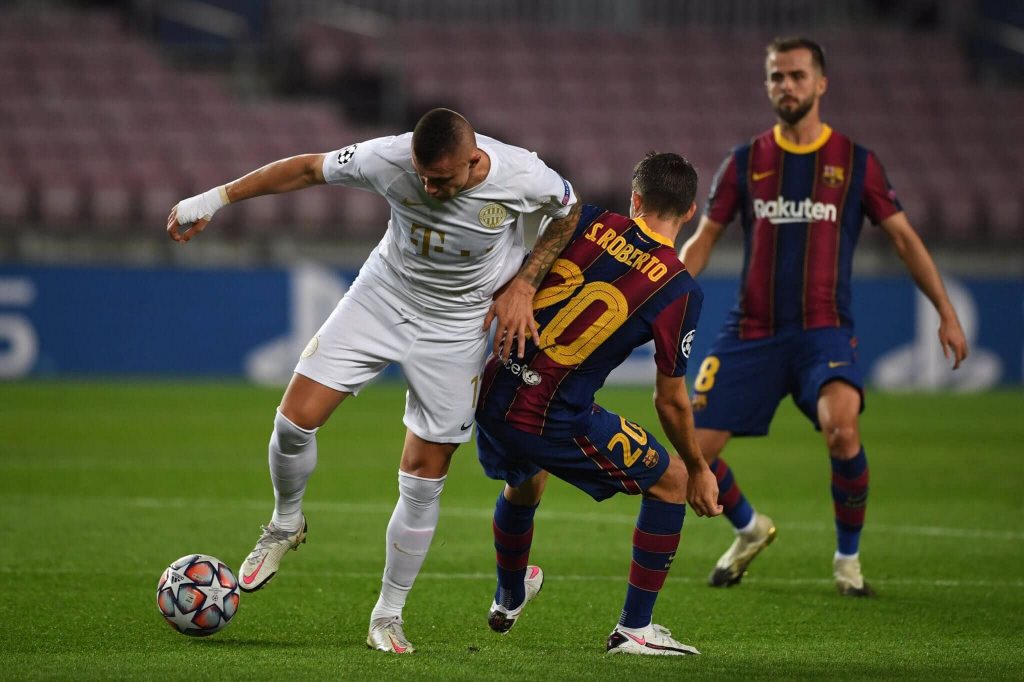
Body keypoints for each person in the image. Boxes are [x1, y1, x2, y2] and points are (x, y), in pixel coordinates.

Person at [166, 108, 583, 652]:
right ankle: (285, 524)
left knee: (423, 475)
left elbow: (567, 210)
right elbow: (308, 169)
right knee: (293, 422)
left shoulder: (521, 173)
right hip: (382, 297)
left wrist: (526, 282)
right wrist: (216, 198)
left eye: (442, 180)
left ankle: (387, 615)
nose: (430, 189)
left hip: (457, 325)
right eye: (423, 177)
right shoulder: (388, 157)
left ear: (473, 160)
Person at [679, 37, 970, 596]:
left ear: (821, 83)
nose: (785, 85)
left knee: (842, 429)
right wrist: (659, 292)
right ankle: (749, 528)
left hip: (824, 330)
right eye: (776, 76)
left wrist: (946, 310)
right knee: (695, 451)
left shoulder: (857, 163)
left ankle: (847, 561)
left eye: (796, 75)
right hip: (752, 329)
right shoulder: (744, 162)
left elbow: (904, 239)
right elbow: (704, 239)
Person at [475, 152, 722, 656]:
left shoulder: (586, 220)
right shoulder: (678, 287)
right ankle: (635, 629)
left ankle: (509, 594)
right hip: (550, 415)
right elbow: (670, 400)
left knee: (526, 480)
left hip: (493, 389)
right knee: (672, 481)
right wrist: (699, 467)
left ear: (635, 199)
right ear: (690, 212)